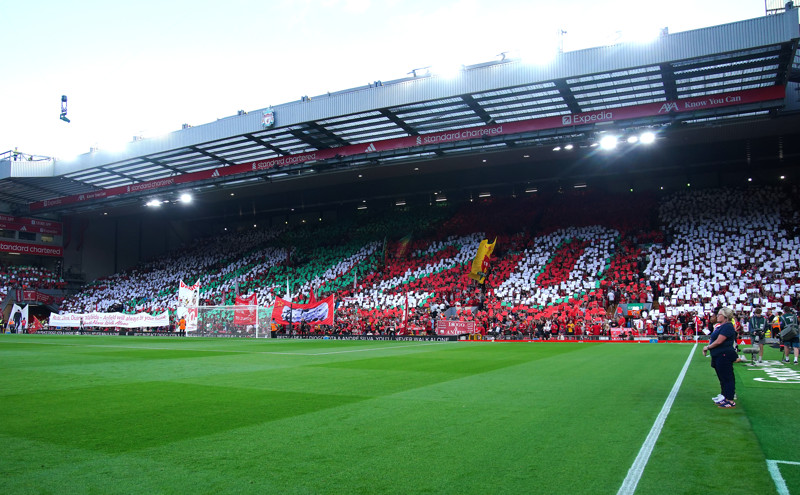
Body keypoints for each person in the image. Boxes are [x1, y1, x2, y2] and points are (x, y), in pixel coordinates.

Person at [703, 307, 738, 408]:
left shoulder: (727, 327)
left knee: (727, 378)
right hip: (719, 355)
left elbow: (719, 341)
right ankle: (725, 396)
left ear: (725, 317)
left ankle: (729, 399)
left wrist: (708, 347)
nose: (717, 316)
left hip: (724, 355)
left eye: (719, 315)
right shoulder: (722, 326)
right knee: (723, 378)